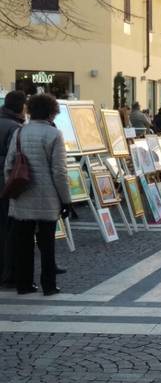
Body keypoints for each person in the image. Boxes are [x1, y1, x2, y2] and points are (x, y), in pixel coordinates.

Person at [4, 94, 70, 296]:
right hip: (47, 199)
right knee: (47, 244)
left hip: (22, 197)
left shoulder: (20, 131)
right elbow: (59, 171)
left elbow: (9, 165)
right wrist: (66, 199)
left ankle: (24, 285)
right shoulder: (54, 134)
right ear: (52, 112)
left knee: (23, 245)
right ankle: (49, 285)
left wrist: (13, 188)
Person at [0, 90, 27, 287]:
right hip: (5, 184)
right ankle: (8, 273)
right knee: (8, 229)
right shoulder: (15, 128)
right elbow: (13, 159)